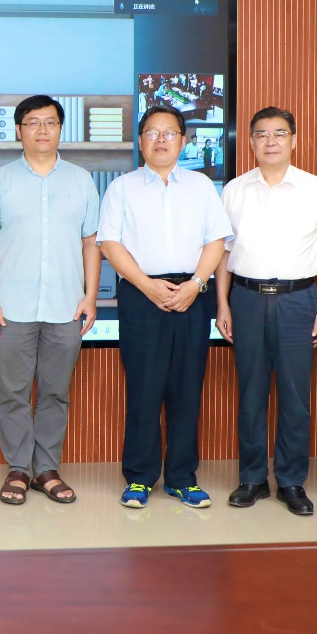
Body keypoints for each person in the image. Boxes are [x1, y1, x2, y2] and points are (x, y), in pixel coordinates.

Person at [216, 106, 317, 516]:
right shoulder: (234, 190)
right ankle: (253, 479)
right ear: (251, 142)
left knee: (295, 395)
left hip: (298, 301)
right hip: (246, 299)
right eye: (262, 134)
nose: (270, 141)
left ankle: (292, 481)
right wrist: (222, 303)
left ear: (294, 140)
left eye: (279, 133)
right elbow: (222, 254)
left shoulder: (316, 189)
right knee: (251, 393)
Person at [0, 95, 100, 506]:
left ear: (61, 129)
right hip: (12, 307)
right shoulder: (0, 180)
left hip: (67, 306)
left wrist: (90, 297)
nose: (42, 130)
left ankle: (46, 468)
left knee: (55, 393)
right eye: (33, 122)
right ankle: (18, 469)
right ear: (19, 130)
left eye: (50, 122)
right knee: (13, 392)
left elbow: (91, 243)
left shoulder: (81, 180)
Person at [99, 106, 231, 509]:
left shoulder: (201, 186)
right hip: (141, 295)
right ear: (141, 141)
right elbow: (110, 244)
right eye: (152, 133)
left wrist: (196, 284)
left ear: (183, 140)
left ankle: (181, 478)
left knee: (186, 389)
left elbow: (216, 241)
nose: (161, 140)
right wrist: (146, 286)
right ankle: (139, 478)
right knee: (144, 389)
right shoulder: (121, 188)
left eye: (169, 133)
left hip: (193, 293)